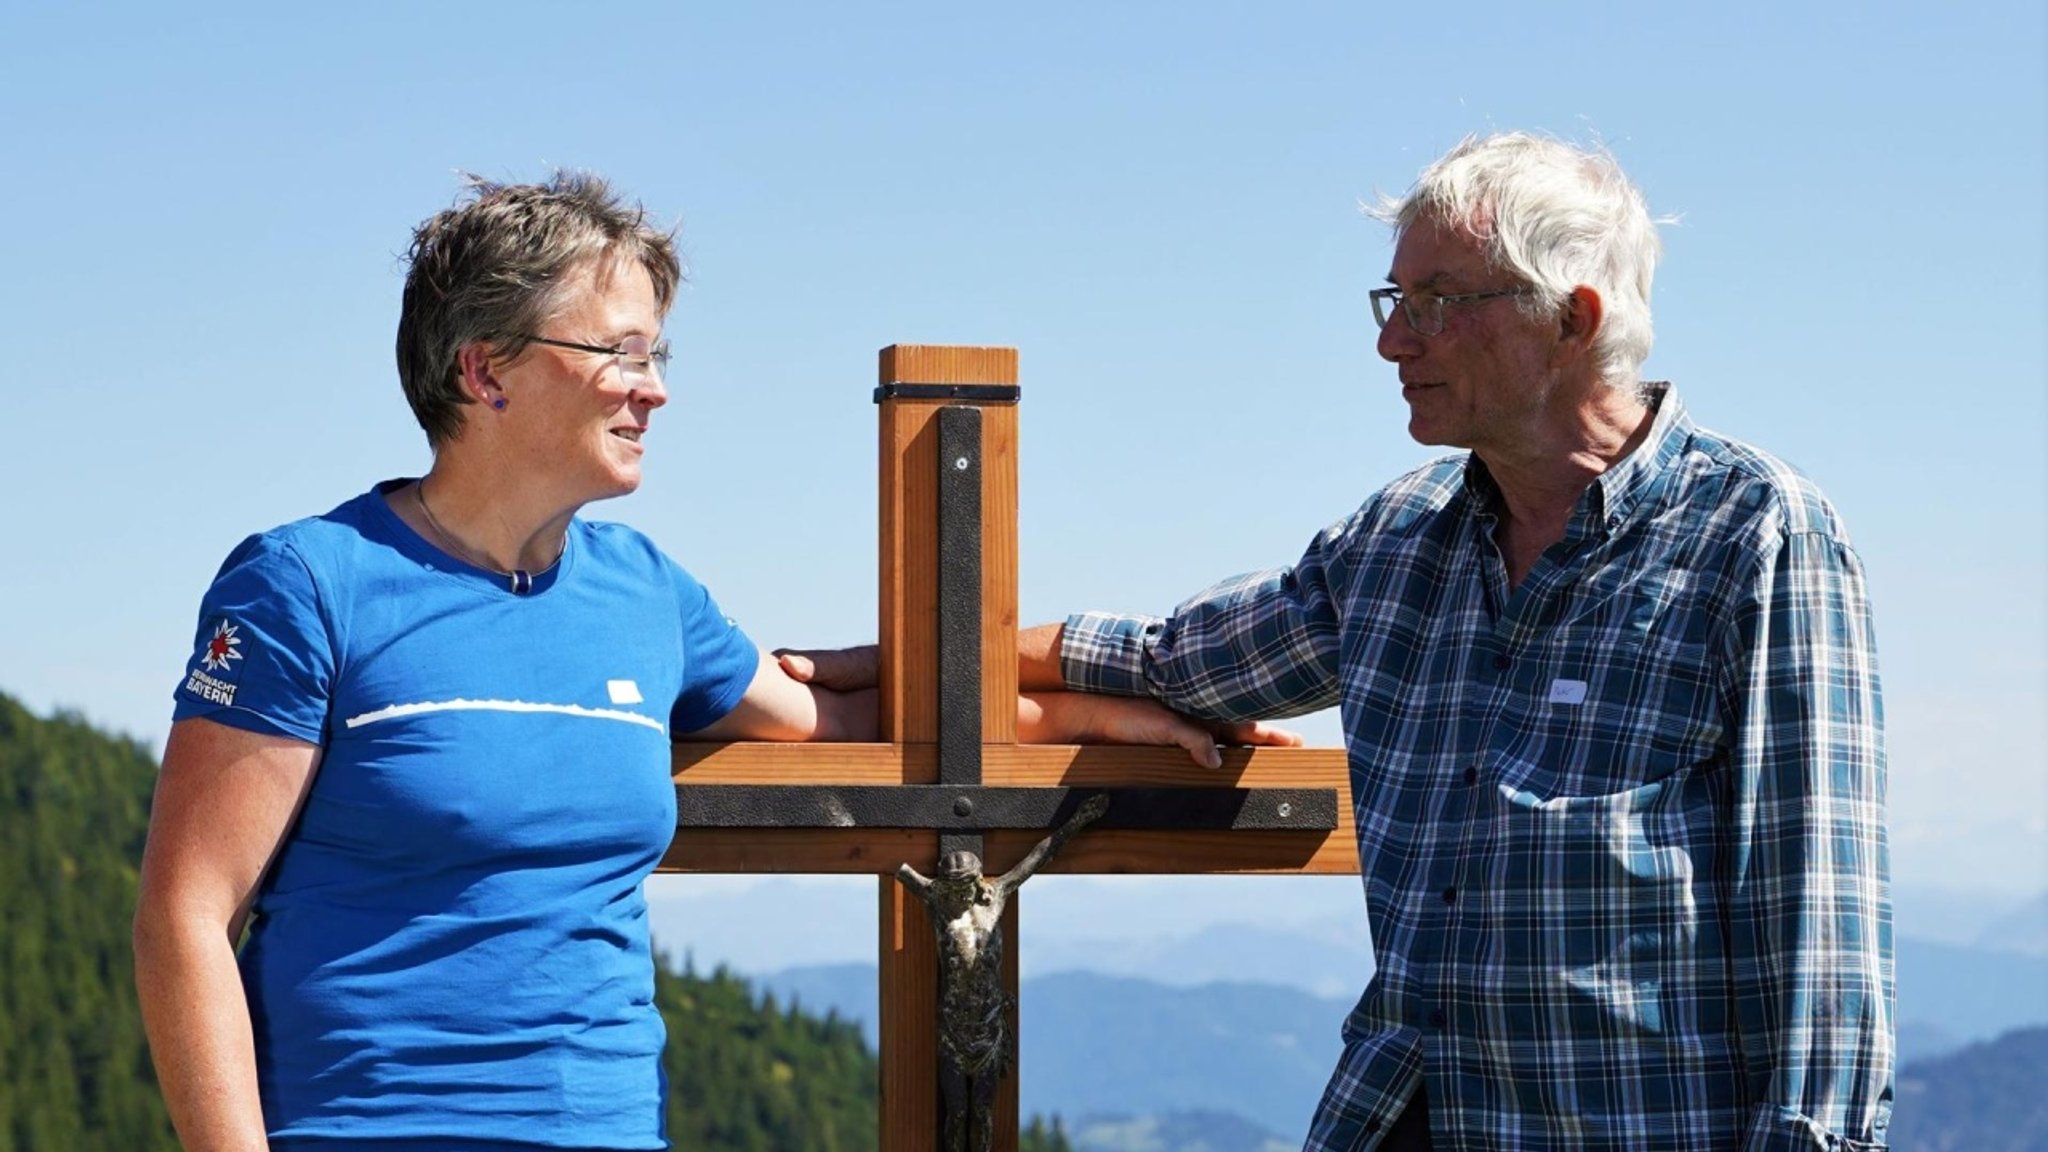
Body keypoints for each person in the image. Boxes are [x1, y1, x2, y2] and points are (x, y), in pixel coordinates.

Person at [132, 172, 1276, 1152]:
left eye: (658, 352)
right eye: (619, 352)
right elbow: (185, 913)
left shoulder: (640, 590)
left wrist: (1102, 712)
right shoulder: (307, 584)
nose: (656, 387)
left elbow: (850, 715)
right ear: (483, 373)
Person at [1018, 134, 1892, 1151]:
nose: (1393, 344)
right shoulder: (1398, 541)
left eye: (1436, 302)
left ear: (1571, 319)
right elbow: (1166, 661)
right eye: (1393, 304)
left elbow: (1821, 936)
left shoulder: (1755, 532)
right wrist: (910, 661)